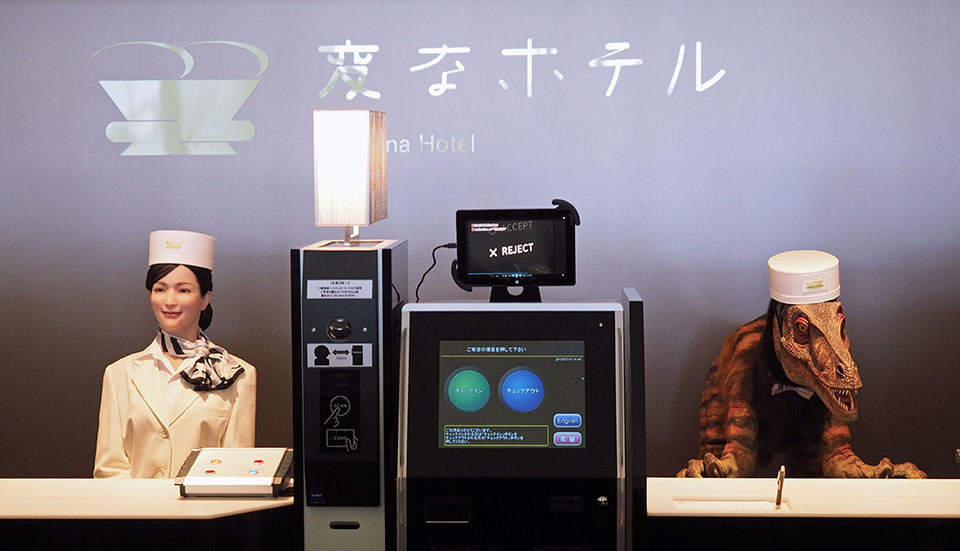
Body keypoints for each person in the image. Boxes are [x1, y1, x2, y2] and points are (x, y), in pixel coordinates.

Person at [94, 230, 256, 478]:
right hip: (134, 503)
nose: (169, 301)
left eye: (183, 290)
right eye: (160, 289)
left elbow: (236, 471)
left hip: (203, 504)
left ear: (205, 299)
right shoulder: (119, 374)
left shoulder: (237, 374)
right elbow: (109, 469)